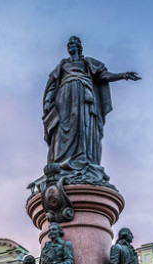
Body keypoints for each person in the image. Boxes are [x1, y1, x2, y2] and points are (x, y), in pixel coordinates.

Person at [43, 36, 140, 186]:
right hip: (64, 97)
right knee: (63, 129)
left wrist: (122, 75)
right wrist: (49, 101)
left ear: (79, 47)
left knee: (82, 127)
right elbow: (52, 85)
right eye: (69, 44)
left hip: (83, 96)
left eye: (73, 44)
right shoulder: (62, 64)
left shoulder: (87, 63)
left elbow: (103, 76)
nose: (70, 46)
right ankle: (62, 164)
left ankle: (82, 161)